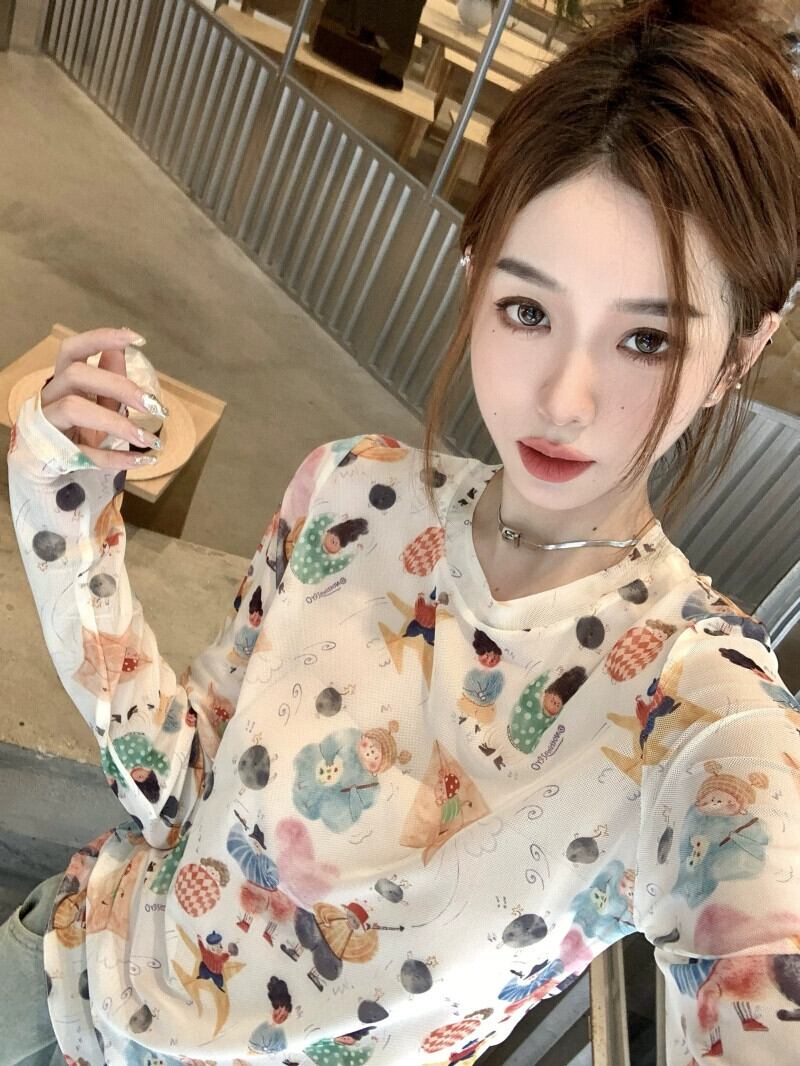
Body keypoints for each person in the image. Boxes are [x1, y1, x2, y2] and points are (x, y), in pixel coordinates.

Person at [4, 0, 799, 1063]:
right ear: (474, 275)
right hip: (65, 971)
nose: (563, 399)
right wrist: (65, 508)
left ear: (743, 348)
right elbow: (184, 788)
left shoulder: (693, 707)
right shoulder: (353, 492)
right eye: (527, 311)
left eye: (646, 338)